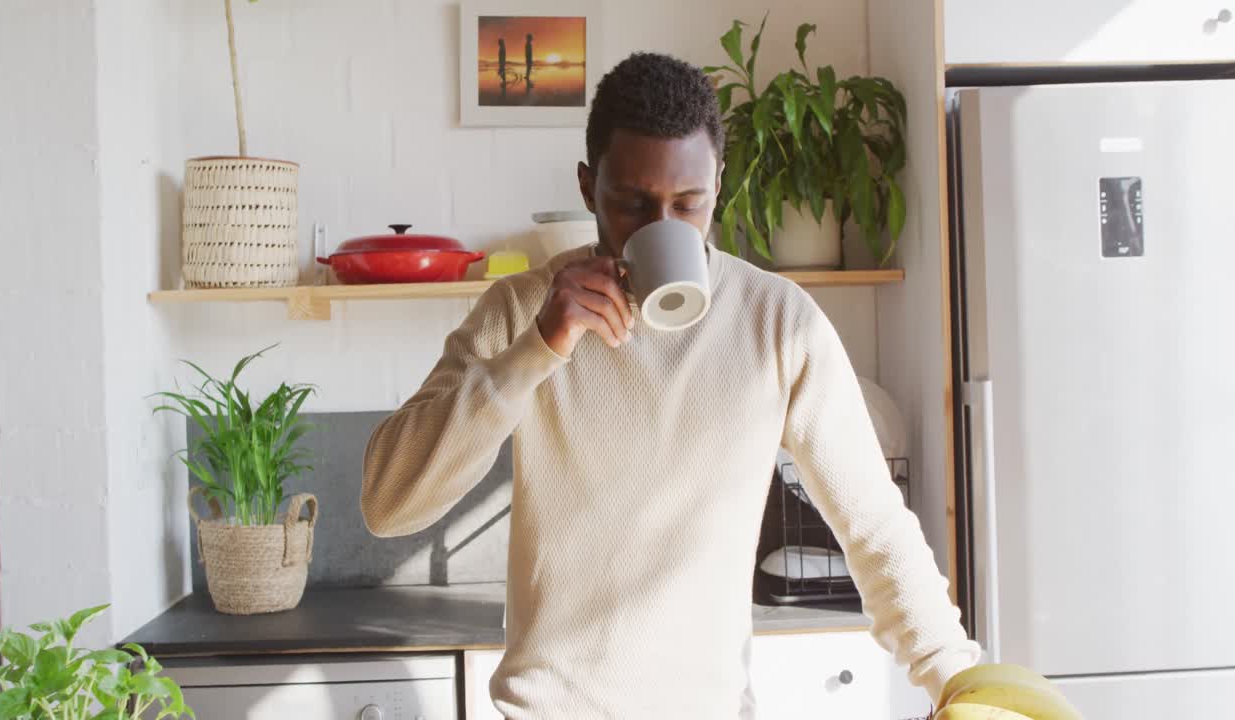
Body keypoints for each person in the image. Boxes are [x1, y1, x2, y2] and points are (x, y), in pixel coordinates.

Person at [362, 52, 981, 719]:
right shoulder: (522, 310)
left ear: (719, 183)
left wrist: (962, 681)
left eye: (688, 204)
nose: (662, 227)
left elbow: (875, 526)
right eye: (632, 204)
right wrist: (537, 350)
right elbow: (389, 506)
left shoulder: (779, 322)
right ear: (587, 188)